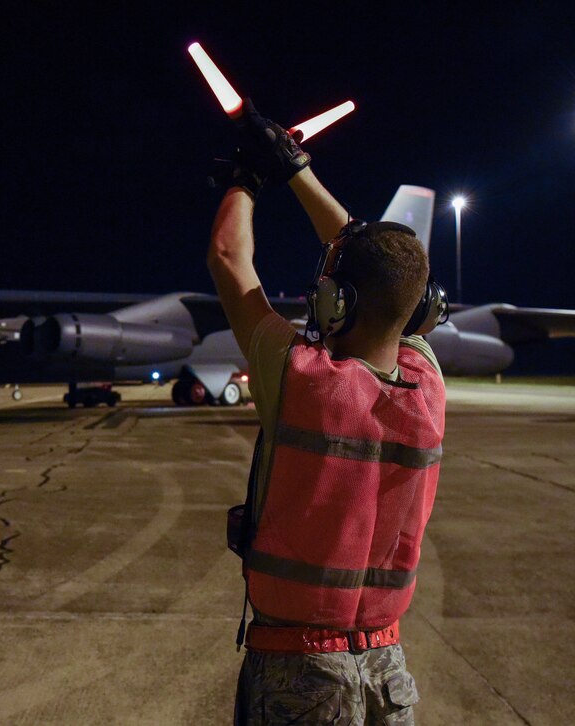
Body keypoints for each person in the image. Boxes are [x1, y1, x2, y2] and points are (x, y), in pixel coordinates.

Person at [206, 100, 447, 724]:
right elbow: (391, 275)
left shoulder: (305, 380)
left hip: (298, 672)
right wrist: (297, 170)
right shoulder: (427, 387)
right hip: (387, 674)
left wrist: (250, 178)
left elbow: (230, 260)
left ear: (335, 300)